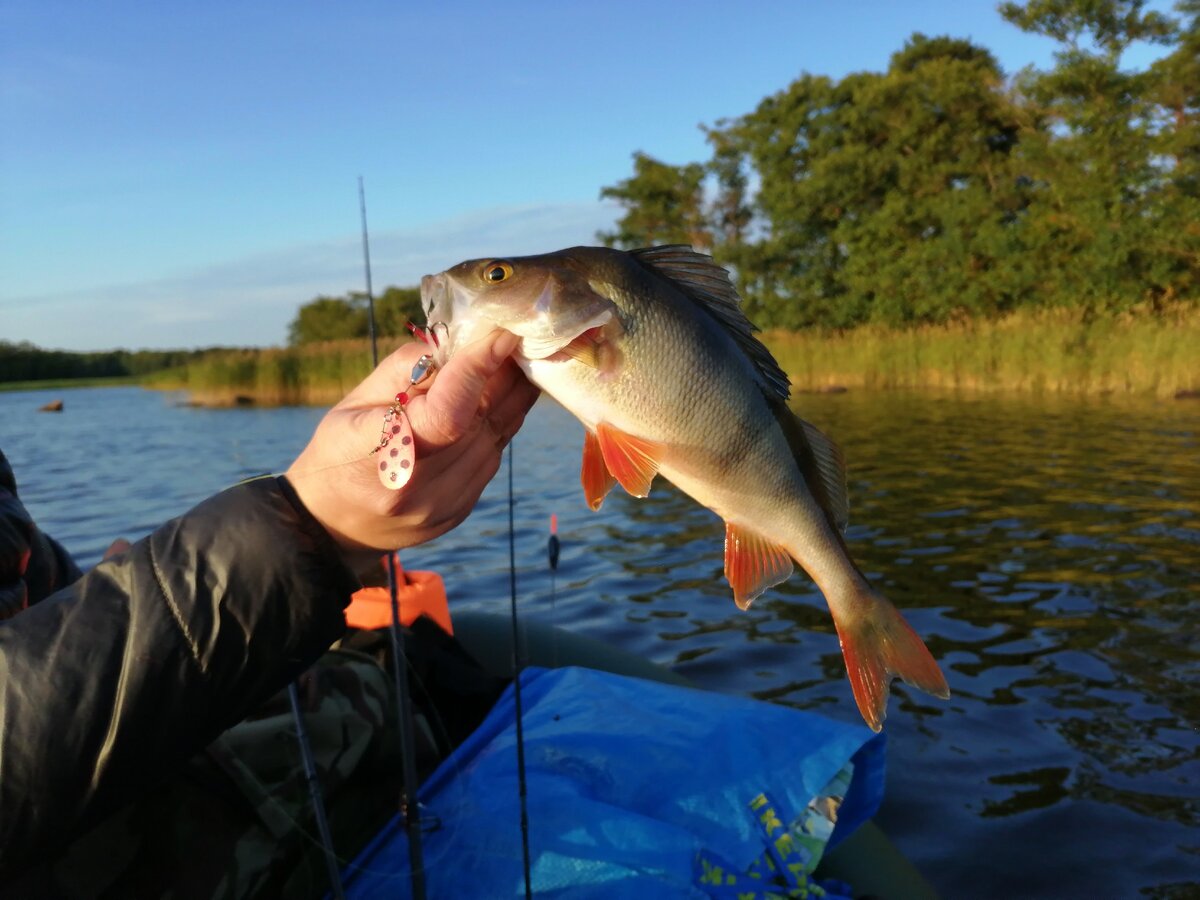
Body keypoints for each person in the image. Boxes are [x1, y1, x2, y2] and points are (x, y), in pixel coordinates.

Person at [0, 331, 540, 882]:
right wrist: (313, 521)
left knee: (405, 678)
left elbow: (38, 594)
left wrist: (98, 593)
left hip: (161, 748)